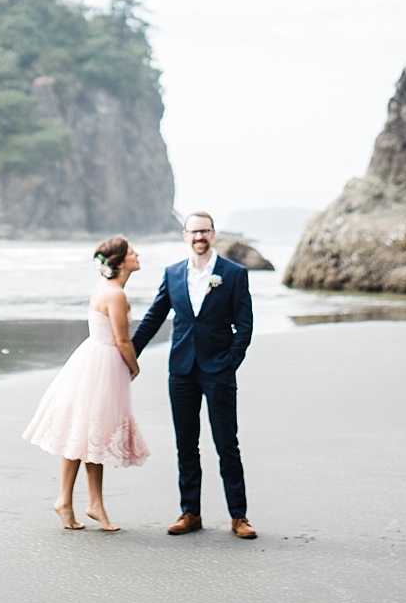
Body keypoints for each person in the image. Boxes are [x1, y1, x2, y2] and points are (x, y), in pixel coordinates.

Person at [131, 210, 256, 538]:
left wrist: (230, 361)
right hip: (182, 371)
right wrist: (128, 353)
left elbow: (244, 325)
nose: (199, 237)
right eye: (193, 232)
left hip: (219, 370)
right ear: (185, 236)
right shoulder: (173, 274)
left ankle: (239, 517)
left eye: (204, 231)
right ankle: (191, 513)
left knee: (226, 443)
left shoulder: (234, 274)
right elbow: (154, 317)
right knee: (186, 444)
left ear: (213, 234)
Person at [23, 235, 149, 531]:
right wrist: (134, 367)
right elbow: (122, 340)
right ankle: (71, 502)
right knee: (88, 433)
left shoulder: (105, 288)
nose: (137, 255)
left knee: (91, 434)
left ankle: (89, 504)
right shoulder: (115, 294)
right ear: (118, 262)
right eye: (131, 252)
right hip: (103, 364)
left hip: (93, 358)